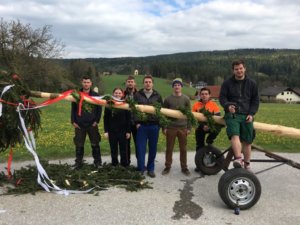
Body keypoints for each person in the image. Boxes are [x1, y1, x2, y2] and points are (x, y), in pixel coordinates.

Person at [219, 59, 259, 171]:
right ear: (233, 71)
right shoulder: (227, 83)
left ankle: (247, 164)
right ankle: (238, 159)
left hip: (247, 115)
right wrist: (227, 106)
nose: (239, 71)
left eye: (241, 68)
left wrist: (251, 113)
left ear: (244, 69)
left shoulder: (252, 83)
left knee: (247, 140)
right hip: (233, 114)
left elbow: (255, 100)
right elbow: (222, 98)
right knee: (234, 135)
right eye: (236, 69)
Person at [134, 75, 163, 178]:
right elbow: (133, 110)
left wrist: (159, 125)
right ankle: (141, 168)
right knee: (140, 148)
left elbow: (161, 111)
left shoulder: (157, 96)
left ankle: (151, 169)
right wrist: (136, 123)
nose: (148, 83)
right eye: (146, 82)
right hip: (142, 126)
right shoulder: (137, 95)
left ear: (152, 83)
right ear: (143, 83)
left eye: (149, 82)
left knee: (152, 149)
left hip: (154, 126)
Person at [161, 78, 192, 176]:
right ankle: (167, 166)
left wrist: (189, 128)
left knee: (183, 149)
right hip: (171, 127)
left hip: (183, 128)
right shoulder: (168, 99)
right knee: (169, 148)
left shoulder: (186, 99)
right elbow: (164, 114)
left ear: (181, 86)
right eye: (175, 85)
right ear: (173, 87)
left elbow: (189, 114)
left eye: (179, 85)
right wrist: (164, 127)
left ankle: (184, 167)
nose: (177, 86)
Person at [71, 75, 102, 169]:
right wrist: (73, 121)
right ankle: (78, 163)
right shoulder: (77, 94)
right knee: (79, 145)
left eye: (88, 82)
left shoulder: (95, 95)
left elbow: (99, 109)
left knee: (95, 144)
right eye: (84, 82)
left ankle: (97, 162)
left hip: (92, 124)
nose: (86, 84)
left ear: (91, 83)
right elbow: (73, 109)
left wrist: (97, 120)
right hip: (79, 124)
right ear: (82, 83)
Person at [104, 88, 131, 167]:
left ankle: (124, 165)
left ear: (122, 94)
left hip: (123, 131)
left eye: (119, 93)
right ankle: (114, 165)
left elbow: (128, 118)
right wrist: (106, 131)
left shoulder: (125, 104)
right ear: (113, 94)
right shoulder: (109, 104)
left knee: (124, 150)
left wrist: (128, 131)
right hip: (112, 131)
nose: (117, 94)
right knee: (113, 149)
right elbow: (105, 118)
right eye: (116, 93)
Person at [123, 75, 138, 164]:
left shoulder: (139, 94)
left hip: (136, 123)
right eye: (128, 82)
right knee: (126, 144)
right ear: (126, 83)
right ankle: (127, 163)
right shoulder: (122, 94)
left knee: (138, 144)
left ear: (134, 83)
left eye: (132, 82)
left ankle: (139, 163)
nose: (130, 83)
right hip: (126, 123)